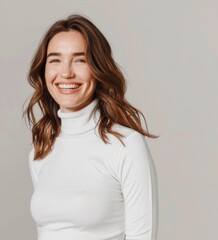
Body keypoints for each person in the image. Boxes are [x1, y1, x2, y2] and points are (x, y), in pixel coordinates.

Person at [24, 14, 159, 240]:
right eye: (55, 60)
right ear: (43, 70)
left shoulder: (125, 145)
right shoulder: (42, 150)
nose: (66, 73)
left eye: (80, 60)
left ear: (98, 68)